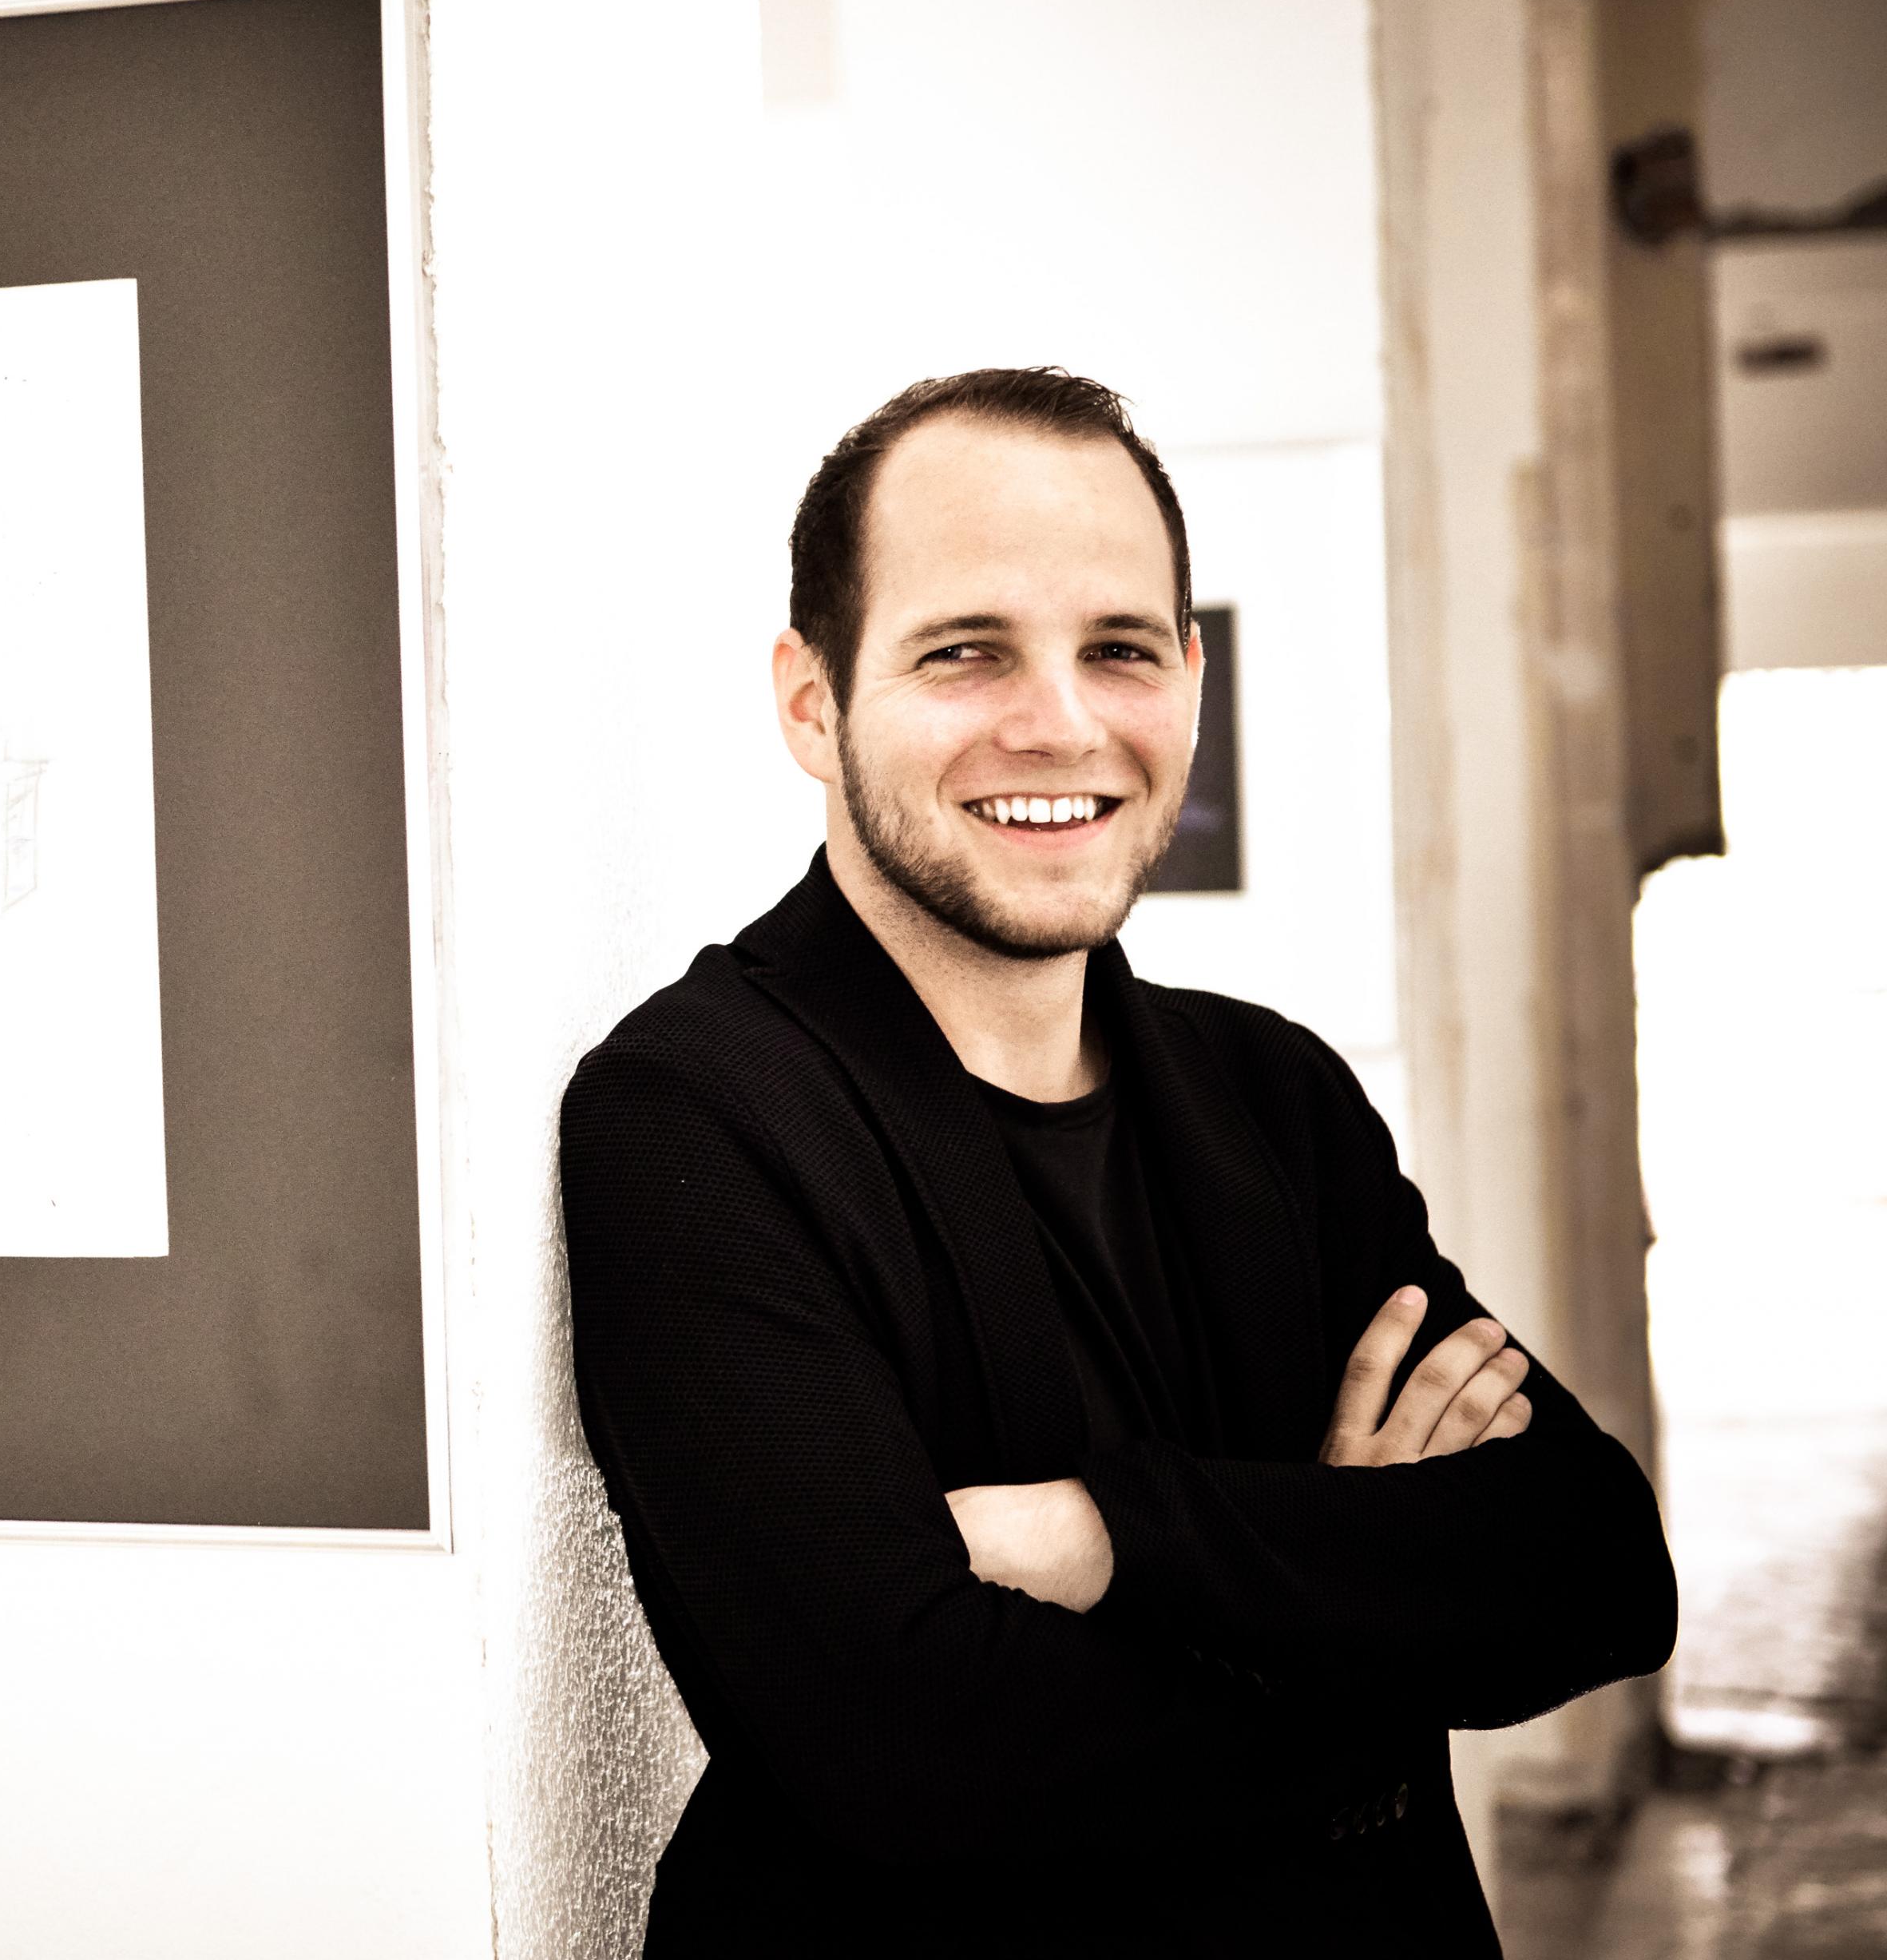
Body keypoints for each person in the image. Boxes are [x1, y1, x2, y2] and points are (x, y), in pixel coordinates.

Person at [557, 369, 1675, 1955]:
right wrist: (1350, 1574)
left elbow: (1593, 1568)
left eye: (1120, 649)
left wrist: (1101, 1532)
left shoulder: (1275, 1095)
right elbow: (902, 1743)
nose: (1061, 723)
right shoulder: (694, 1116)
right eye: (964, 650)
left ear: (1191, 681)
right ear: (811, 699)